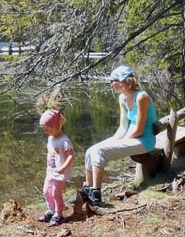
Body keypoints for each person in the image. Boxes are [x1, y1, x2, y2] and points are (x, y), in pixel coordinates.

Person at [82, 65, 157, 205]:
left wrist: (117, 144)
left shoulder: (142, 97)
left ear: (123, 81)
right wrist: (113, 141)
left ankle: (96, 195)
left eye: (113, 81)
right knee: (91, 150)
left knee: (99, 151)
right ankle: (88, 190)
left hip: (144, 140)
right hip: (130, 136)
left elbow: (139, 130)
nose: (111, 84)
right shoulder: (122, 98)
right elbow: (123, 127)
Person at [37, 109, 75, 227]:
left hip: (60, 173)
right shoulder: (51, 138)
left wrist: (63, 167)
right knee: (46, 191)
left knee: (55, 193)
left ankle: (59, 214)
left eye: (47, 129)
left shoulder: (64, 141)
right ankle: (51, 210)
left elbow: (72, 156)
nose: (45, 132)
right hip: (50, 171)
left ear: (56, 126)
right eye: (44, 129)